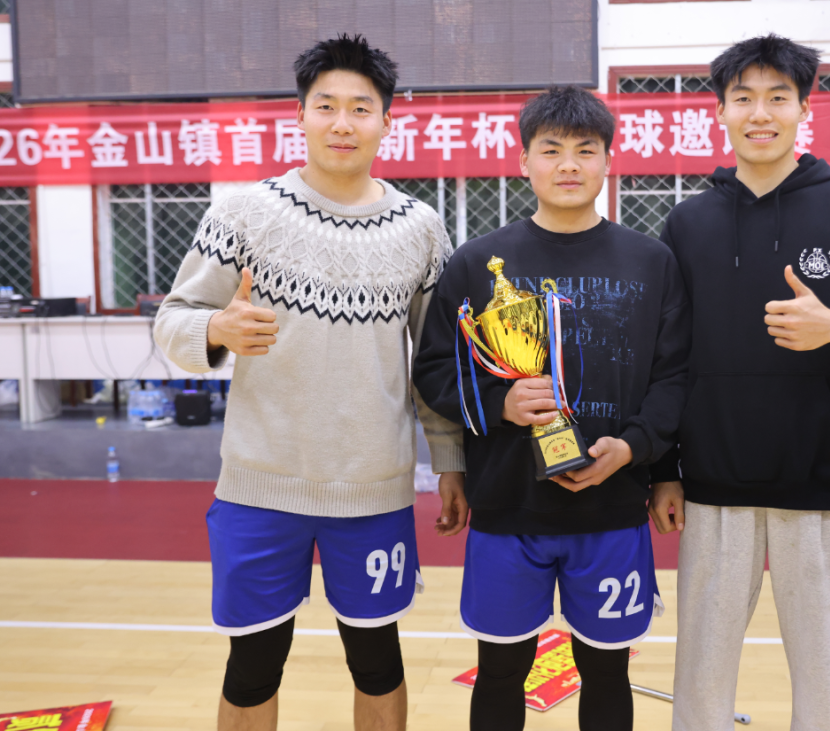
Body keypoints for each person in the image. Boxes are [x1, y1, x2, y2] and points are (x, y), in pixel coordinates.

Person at [153, 34, 463, 731]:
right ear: (300, 115)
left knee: (378, 659)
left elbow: (433, 362)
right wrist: (215, 328)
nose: (342, 122)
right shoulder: (242, 213)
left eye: (361, 107)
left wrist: (450, 460)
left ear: (387, 120)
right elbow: (171, 321)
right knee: (253, 664)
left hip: (374, 490)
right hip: (260, 488)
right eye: (326, 105)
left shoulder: (420, 229)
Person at [647, 34, 830, 731]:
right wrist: (664, 470)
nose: (760, 113)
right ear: (720, 111)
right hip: (713, 486)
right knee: (700, 676)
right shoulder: (688, 222)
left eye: (778, 97)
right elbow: (667, 357)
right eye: (743, 97)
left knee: (825, 676)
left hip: (823, 486)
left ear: (805, 108)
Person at [412, 85, 690, 731]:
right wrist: (500, 402)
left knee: (608, 671)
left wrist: (639, 449)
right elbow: (434, 368)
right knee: (500, 670)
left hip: (613, 505)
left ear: (608, 161)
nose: (569, 164)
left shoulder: (652, 262)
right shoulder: (478, 263)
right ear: (524, 161)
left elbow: (674, 374)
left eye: (586, 150)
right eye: (552, 149)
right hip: (508, 505)